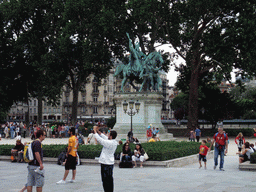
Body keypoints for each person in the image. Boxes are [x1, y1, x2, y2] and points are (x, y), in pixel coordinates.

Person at [93, 125, 118, 192]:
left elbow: (100, 140)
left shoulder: (109, 143)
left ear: (111, 136)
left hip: (105, 163)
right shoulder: (114, 142)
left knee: (105, 180)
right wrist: (98, 131)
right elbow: (104, 137)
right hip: (110, 163)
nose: (107, 135)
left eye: (108, 134)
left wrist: (95, 131)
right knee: (110, 179)